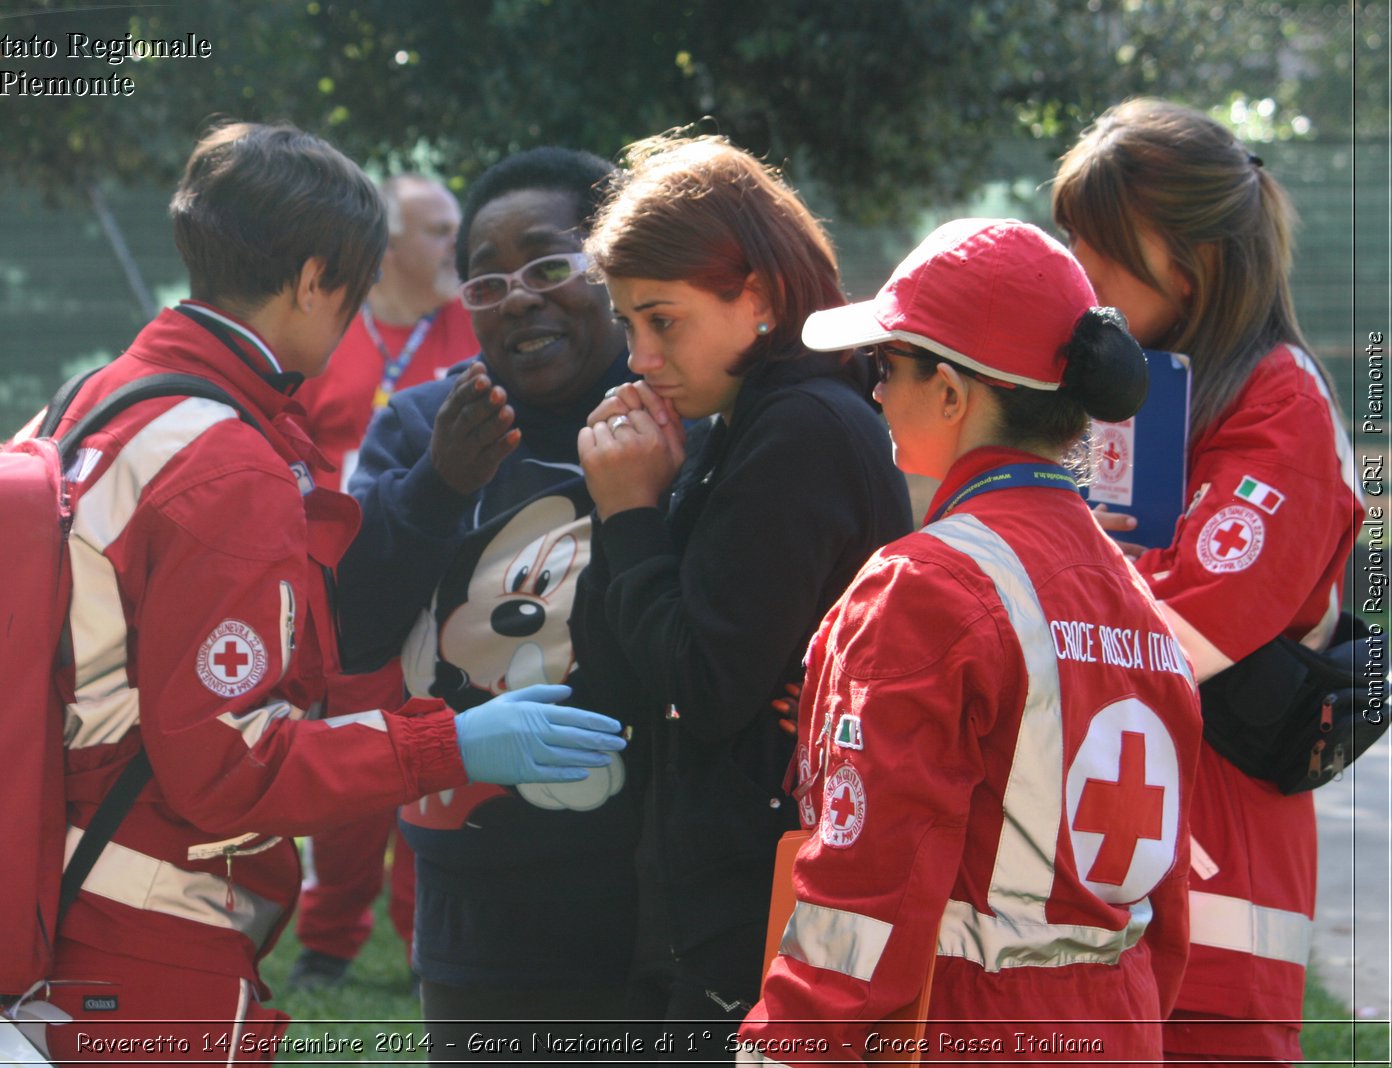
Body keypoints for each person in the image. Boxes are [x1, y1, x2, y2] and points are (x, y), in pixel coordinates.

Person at [0, 121, 626, 1064]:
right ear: (318, 280)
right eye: (353, 296)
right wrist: (452, 742)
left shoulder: (93, 398)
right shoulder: (223, 463)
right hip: (147, 915)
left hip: (47, 879)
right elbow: (229, 770)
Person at [739, 217, 1203, 1063]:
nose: (872, 391)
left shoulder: (922, 589)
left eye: (885, 366)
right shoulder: (1136, 596)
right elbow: (1162, 916)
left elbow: (862, 892)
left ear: (952, 393)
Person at [569, 133, 913, 1058]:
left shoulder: (799, 427)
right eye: (626, 324)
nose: (638, 356)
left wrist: (630, 513)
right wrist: (628, 515)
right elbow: (616, 675)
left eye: (663, 321)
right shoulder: (741, 420)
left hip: (773, 929)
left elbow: (704, 686)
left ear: (756, 297)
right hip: (725, 910)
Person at [1052, 98, 1365, 1067]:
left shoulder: (1281, 406)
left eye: (1099, 245)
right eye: (1067, 239)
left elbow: (1171, 637)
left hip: (1217, 889)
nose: (1076, 273)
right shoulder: (1131, 382)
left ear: (1199, 261)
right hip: (1112, 863)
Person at [330, 147, 640, 1051]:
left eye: (549, 267)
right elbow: (347, 631)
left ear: (610, 265)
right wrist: (435, 487)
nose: (519, 297)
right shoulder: (427, 425)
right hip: (474, 891)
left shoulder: (678, 415)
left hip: (646, 885)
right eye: (487, 280)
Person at [288, 173, 478, 994]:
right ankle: (326, 942)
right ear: (391, 244)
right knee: (356, 760)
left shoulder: (472, 320)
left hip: (449, 573)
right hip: (349, 582)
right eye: (439, 231)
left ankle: (421, 944)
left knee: (438, 754)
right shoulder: (330, 329)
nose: (456, 248)